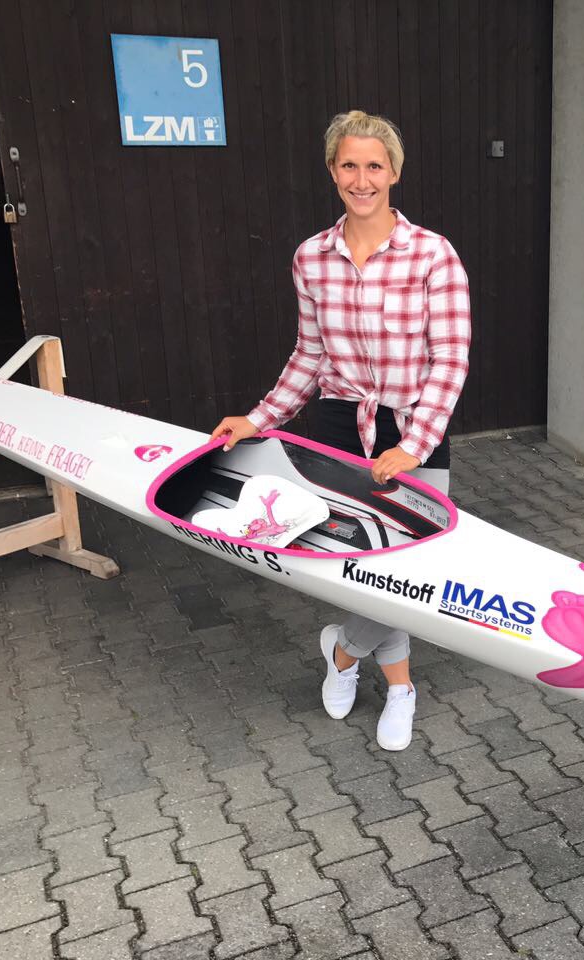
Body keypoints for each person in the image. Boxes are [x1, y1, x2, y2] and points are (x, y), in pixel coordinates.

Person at [210, 110, 470, 750]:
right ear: (332, 171)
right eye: (349, 165)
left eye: (374, 165)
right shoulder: (311, 257)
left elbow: (451, 358)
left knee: (410, 567)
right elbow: (310, 354)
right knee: (363, 563)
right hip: (338, 423)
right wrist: (259, 418)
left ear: (394, 172)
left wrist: (413, 446)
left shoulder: (433, 254)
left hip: (412, 423)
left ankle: (344, 653)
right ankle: (400, 687)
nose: (362, 179)